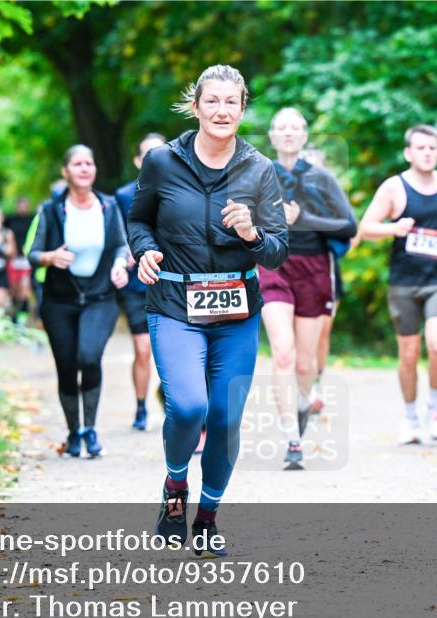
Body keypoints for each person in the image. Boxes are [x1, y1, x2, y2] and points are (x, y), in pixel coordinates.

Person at [127, 65, 287, 556]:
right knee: (189, 405)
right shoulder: (161, 162)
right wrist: (144, 251)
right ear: (195, 107)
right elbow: (139, 221)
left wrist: (252, 234)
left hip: (237, 313)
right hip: (175, 304)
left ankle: (207, 519)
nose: (221, 111)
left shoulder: (259, 169)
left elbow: (277, 251)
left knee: (224, 418)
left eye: (231, 102)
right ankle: (175, 486)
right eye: (212, 101)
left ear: (242, 109)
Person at [263, 109, 356, 469]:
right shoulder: (259, 173)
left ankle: (303, 404)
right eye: (281, 127)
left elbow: (348, 225)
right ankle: (291, 439)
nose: (288, 133)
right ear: (272, 135)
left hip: (314, 269)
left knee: (305, 362)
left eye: (295, 128)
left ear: (304, 136)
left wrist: (304, 219)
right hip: (273, 266)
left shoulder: (321, 177)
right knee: (283, 354)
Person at [26, 144, 131, 460]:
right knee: (67, 366)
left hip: (100, 298)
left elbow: (121, 245)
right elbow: (32, 254)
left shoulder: (108, 206)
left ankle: (91, 430)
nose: (84, 168)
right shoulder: (51, 210)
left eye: (89, 163)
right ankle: (74, 432)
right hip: (59, 301)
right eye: (77, 164)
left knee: (89, 357)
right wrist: (50, 257)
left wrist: (120, 264)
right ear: (66, 172)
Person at [359, 125, 437, 445]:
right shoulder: (394, 187)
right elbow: (366, 227)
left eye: (432, 148)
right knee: (410, 353)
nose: (427, 153)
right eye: (420, 148)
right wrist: (394, 229)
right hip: (404, 282)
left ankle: (435, 406)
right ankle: (411, 416)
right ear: (408, 153)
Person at [115, 133, 167, 431]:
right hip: (137, 283)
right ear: (137, 161)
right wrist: (126, 255)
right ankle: (140, 407)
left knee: (172, 351)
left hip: (171, 280)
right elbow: (118, 235)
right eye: (148, 154)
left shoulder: (181, 189)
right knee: (143, 348)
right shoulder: (123, 196)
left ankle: (167, 393)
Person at [5, 196, 35, 325]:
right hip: (13, 259)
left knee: (24, 289)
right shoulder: (10, 220)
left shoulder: (32, 219)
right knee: (14, 291)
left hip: (27, 259)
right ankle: (14, 317)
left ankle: (21, 320)